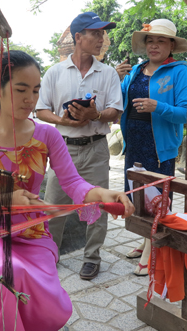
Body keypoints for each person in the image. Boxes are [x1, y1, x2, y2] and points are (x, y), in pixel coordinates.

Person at [0, 50, 134, 331]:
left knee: (28, 275)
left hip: (33, 232)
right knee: (11, 272)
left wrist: (103, 193)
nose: (30, 99)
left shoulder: (46, 134)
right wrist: (4, 201)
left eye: (36, 91)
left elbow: (74, 184)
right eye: (21, 89)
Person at [36, 12, 123, 280]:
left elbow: (115, 111)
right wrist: (63, 120)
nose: (101, 38)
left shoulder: (107, 73)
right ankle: (50, 254)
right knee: (54, 206)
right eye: (95, 33)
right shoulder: (54, 72)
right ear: (78, 37)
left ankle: (92, 258)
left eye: (102, 33)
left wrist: (93, 115)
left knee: (98, 206)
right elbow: (41, 110)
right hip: (62, 149)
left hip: (97, 149)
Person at [116, 19, 187, 275]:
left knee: (156, 198)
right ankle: (145, 239)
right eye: (150, 40)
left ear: (171, 45)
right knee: (137, 196)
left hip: (159, 148)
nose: (154, 45)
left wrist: (158, 106)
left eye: (161, 40)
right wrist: (115, 78)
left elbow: (185, 113)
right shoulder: (136, 70)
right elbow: (118, 101)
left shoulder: (180, 71)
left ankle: (151, 249)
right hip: (134, 145)